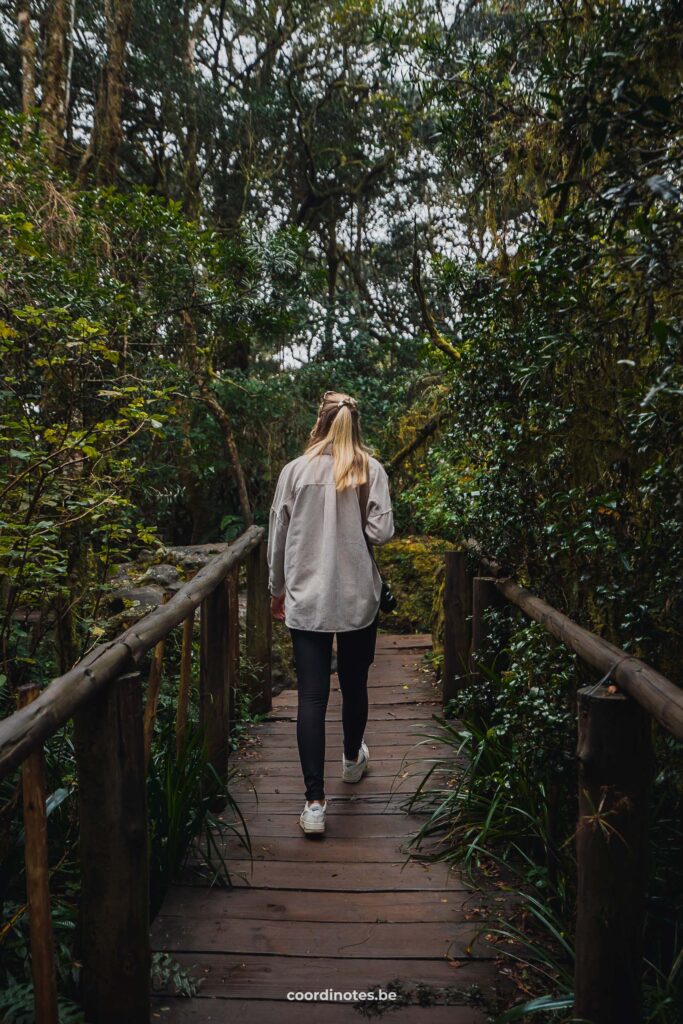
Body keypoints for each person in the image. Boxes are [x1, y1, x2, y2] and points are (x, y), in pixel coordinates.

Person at [266, 390, 395, 835]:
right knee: (354, 684)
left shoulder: (294, 472)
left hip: (308, 599)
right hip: (358, 598)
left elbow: (278, 536)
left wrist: (276, 589)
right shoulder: (370, 470)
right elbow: (382, 531)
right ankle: (351, 760)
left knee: (311, 697)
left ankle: (315, 804)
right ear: (354, 426)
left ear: (319, 424)